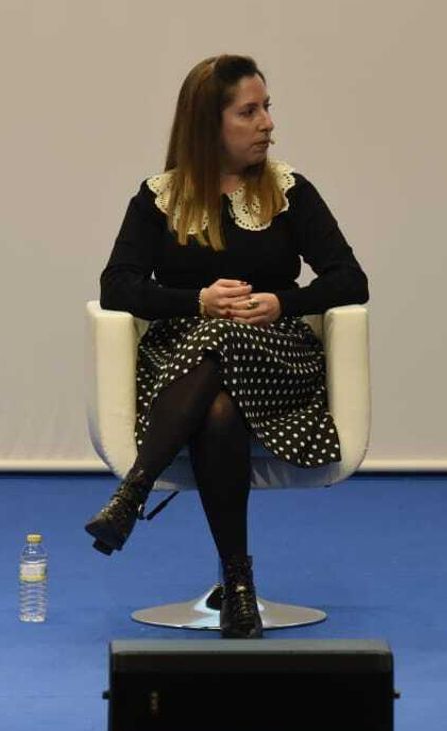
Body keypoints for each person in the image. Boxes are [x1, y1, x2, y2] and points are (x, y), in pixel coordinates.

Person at [89, 54, 369, 639]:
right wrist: (197, 302)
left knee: (224, 341)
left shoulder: (291, 191)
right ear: (208, 124)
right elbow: (117, 287)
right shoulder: (159, 198)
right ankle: (239, 586)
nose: (267, 122)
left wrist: (279, 303)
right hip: (186, 365)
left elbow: (350, 279)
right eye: (250, 111)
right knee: (217, 408)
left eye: (267, 108)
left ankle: (134, 489)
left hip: (277, 359)